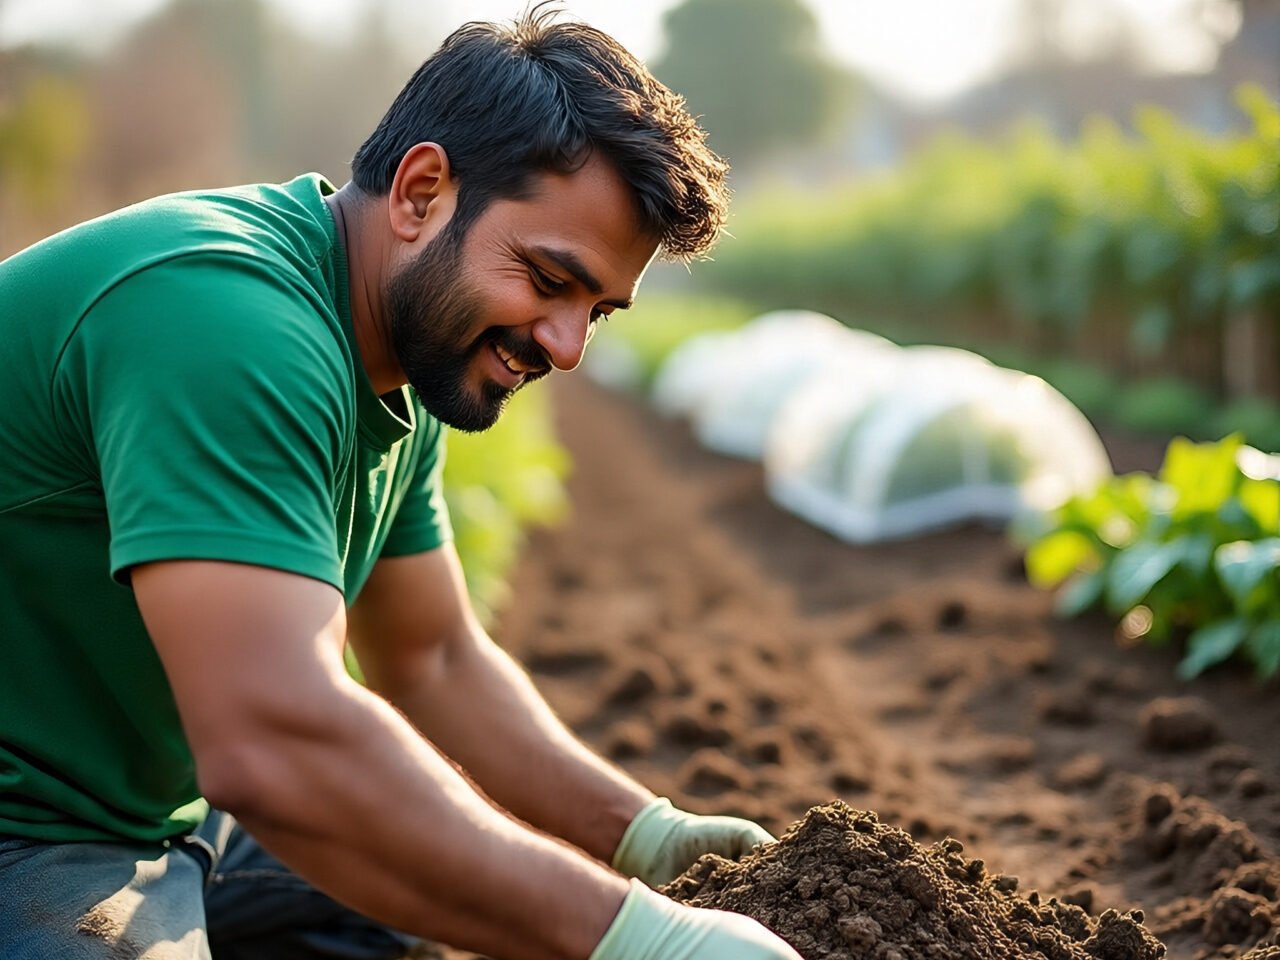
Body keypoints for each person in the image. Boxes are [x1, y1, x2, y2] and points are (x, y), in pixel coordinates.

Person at [0, 7, 805, 960]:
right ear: (422, 192)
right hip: (33, 820)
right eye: (549, 279)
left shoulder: (396, 364)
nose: (568, 345)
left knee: (426, 889)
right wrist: (640, 941)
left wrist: (645, 838)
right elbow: (272, 745)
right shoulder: (225, 323)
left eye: (598, 311)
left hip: (150, 803)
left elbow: (431, 657)